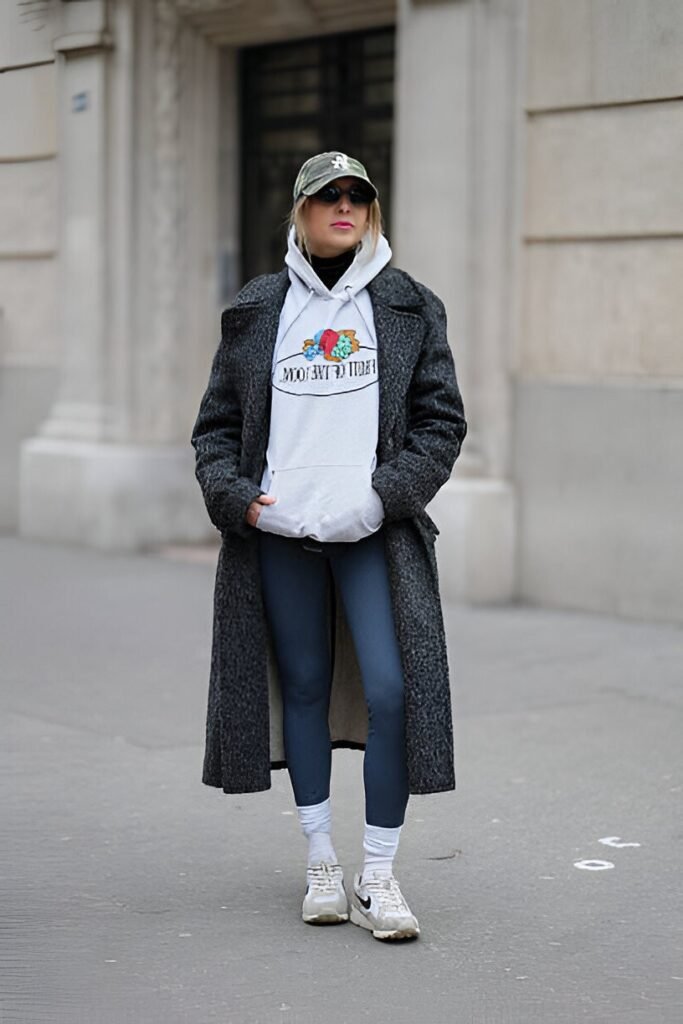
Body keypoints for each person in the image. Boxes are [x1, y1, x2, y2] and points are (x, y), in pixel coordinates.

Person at [191, 151, 467, 942]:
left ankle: (377, 873)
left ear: (371, 210)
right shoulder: (257, 308)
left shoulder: (411, 306)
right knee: (305, 688)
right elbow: (214, 430)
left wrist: (382, 495)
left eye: (357, 196)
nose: (343, 206)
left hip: (372, 535)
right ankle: (320, 859)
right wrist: (241, 503)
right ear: (301, 211)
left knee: (390, 690)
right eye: (327, 196)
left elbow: (440, 425)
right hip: (279, 536)